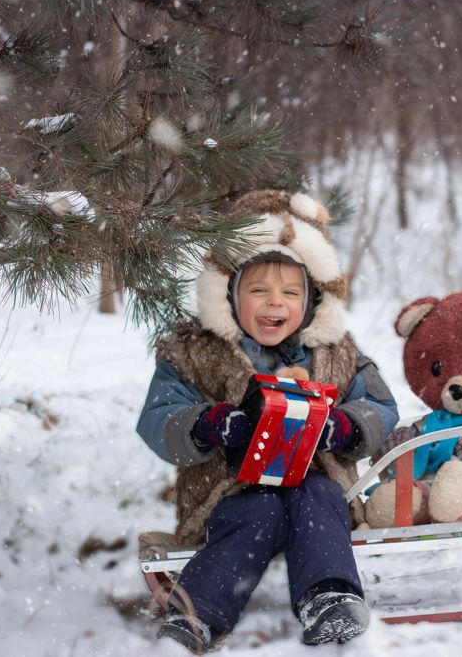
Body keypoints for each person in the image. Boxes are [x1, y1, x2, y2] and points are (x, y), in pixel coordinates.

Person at [136, 190, 399, 653]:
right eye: (258, 290)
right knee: (256, 510)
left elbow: (380, 407)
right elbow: (157, 418)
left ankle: (329, 596)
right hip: (228, 490)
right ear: (228, 294)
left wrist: (346, 428)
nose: (274, 303)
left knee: (317, 496)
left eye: (290, 292)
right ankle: (196, 614)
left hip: (315, 483)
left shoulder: (337, 352)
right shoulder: (195, 353)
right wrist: (206, 424)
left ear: (313, 298)